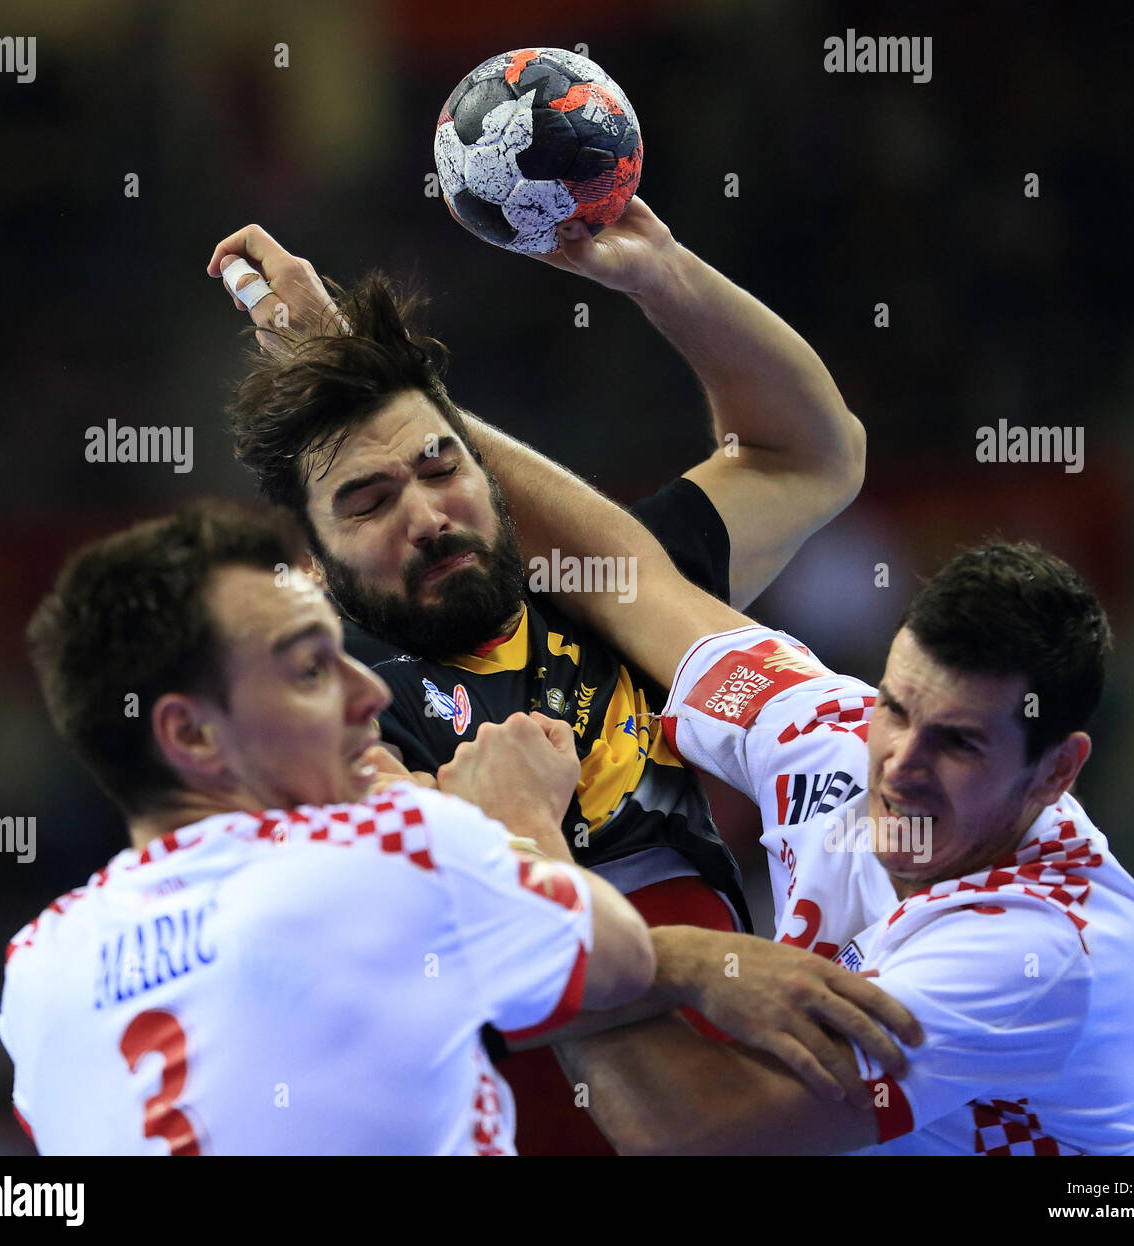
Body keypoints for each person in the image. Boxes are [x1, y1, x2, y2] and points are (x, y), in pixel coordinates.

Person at [205, 202, 867, 1152]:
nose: (429, 516)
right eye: (370, 501)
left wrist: (662, 277)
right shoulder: (336, 706)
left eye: (443, 469)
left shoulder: (613, 592)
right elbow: (476, 934)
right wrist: (706, 965)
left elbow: (812, 455)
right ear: (315, 560)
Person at [485, 451, 1134, 1155]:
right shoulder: (833, 733)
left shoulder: (1037, 949)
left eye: (960, 745)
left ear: (1057, 770)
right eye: (898, 708)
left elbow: (691, 1134)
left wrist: (532, 854)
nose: (902, 767)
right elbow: (625, 578)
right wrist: (420, 412)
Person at [0, 499, 661, 1154]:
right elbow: (621, 958)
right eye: (311, 669)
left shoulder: (35, 967)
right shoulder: (391, 843)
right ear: (193, 734)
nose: (368, 691)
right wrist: (517, 816)